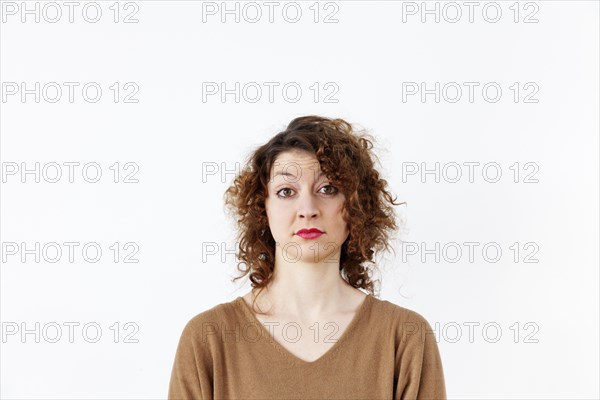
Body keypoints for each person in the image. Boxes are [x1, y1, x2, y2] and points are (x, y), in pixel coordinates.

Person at [168, 115, 447, 399]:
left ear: (355, 205)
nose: (308, 209)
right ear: (262, 208)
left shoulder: (404, 337)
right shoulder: (208, 338)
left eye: (328, 189)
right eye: (286, 191)